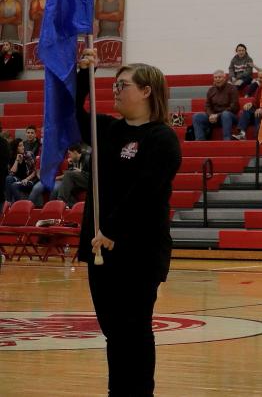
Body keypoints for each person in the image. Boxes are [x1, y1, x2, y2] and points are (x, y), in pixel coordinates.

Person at [76, 49, 182, 396]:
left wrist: (113, 232)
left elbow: (147, 192)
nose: (116, 91)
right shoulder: (106, 129)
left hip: (138, 250)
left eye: (123, 85)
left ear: (147, 90)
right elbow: (77, 115)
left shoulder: (161, 138)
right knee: (113, 330)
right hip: (99, 247)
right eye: (113, 85)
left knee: (134, 328)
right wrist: (83, 75)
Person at [191, 70, 240, 140]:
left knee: (225, 114)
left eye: (219, 77)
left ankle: (227, 139)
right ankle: (200, 140)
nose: (217, 79)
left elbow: (234, 107)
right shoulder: (211, 90)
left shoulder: (232, 88)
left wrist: (218, 115)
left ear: (224, 78)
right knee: (197, 116)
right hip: (214, 117)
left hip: (230, 116)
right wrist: (210, 115)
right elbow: (207, 106)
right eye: (215, 77)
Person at [4, 138, 38, 203]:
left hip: (29, 180)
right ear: (16, 148)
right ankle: (8, 203)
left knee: (14, 185)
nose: (23, 147)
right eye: (20, 146)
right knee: (8, 178)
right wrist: (16, 160)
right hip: (18, 179)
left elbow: (35, 171)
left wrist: (27, 179)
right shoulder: (12, 156)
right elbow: (11, 173)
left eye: (23, 145)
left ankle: (21, 205)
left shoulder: (28, 155)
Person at [233, 72, 262, 140]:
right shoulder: (259, 88)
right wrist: (251, 104)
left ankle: (258, 137)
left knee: (258, 113)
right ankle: (242, 133)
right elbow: (256, 101)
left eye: (261, 78)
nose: (259, 79)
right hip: (259, 111)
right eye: (258, 77)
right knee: (247, 109)